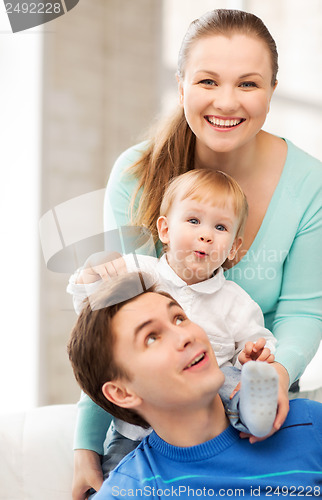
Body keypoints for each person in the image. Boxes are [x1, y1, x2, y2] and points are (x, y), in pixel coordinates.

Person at [71, 9, 322, 499]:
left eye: (248, 84)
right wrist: (86, 445)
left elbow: (303, 310)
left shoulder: (310, 184)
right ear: (181, 85)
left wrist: (275, 372)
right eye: (208, 80)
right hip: (161, 424)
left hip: (256, 402)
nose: (226, 102)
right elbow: (112, 319)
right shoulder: (136, 175)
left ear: (272, 89)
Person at [67, 274, 322, 499]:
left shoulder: (309, 424)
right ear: (122, 393)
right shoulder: (129, 490)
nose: (186, 335)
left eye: (179, 319)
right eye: (152, 337)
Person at [69, 169, 280, 437]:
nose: (206, 235)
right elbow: (90, 310)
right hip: (141, 421)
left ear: (234, 248)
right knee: (119, 457)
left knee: (229, 379)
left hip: (205, 413)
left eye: (220, 227)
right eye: (194, 220)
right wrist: (92, 270)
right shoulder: (139, 270)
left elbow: (260, 341)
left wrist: (252, 357)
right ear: (165, 230)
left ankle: (253, 416)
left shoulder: (237, 302)